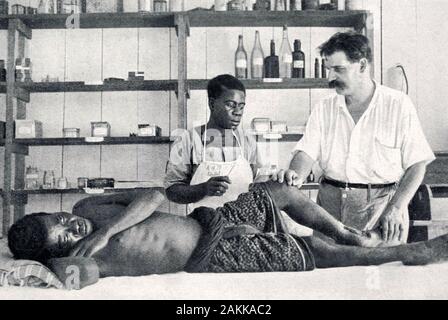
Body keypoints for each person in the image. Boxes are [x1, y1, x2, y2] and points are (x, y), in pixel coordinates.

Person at [8, 182, 448, 289]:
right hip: (210, 253)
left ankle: (349, 233)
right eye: (62, 236)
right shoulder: (74, 259)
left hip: (207, 220)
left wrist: (106, 230)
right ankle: (411, 252)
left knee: (281, 192)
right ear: (55, 252)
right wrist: (44, 270)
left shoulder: (88, 210)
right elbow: (77, 278)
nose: (72, 227)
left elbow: (154, 195)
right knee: (314, 251)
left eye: (59, 218)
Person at [279, 32, 435, 244]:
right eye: (328, 70)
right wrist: (292, 177)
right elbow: (306, 153)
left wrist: (397, 207)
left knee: (381, 274)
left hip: (382, 211)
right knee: (329, 275)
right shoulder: (324, 108)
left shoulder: (398, 105)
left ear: (362, 66)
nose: (330, 78)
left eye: (339, 69)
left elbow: (417, 165)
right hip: (329, 213)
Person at [165, 74, 263, 212]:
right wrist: (203, 189)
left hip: (244, 222)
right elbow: (171, 191)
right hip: (203, 224)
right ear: (212, 104)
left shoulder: (247, 141)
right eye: (230, 105)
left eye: (241, 106)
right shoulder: (187, 140)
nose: (237, 112)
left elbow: (260, 185)